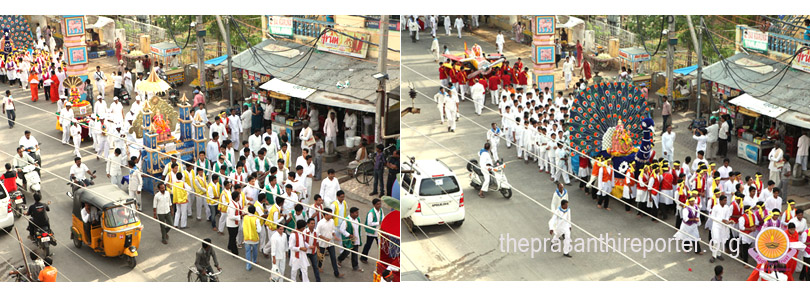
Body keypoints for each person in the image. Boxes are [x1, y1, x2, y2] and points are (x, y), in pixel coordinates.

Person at [338, 207, 364, 272]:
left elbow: (359, 229)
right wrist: (349, 235)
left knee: (355, 253)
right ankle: (339, 259)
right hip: (349, 240)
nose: (357, 214)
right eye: (356, 213)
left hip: (356, 239)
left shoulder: (358, 219)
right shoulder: (346, 220)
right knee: (346, 252)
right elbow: (341, 230)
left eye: (358, 213)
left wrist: (359, 237)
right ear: (352, 213)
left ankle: (355, 266)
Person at [709, 195, 732, 263]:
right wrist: (721, 220)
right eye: (724, 200)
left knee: (722, 241)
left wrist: (727, 221)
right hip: (716, 226)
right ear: (720, 201)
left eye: (726, 200)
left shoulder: (727, 207)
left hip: (723, 226)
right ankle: (713, 256)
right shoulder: (715, 207)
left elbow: (727, 216)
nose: (725, 201)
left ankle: (719, 254)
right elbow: (712, 217)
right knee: (716, 241)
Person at [242, 205, 262, 271]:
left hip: (247, 238)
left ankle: (248, 265)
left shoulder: (245, 218)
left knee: (247, 252)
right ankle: (254, 261)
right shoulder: (256, 219)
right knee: (255, 251)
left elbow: (242, 227)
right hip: (254, 238)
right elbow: (259, 230)